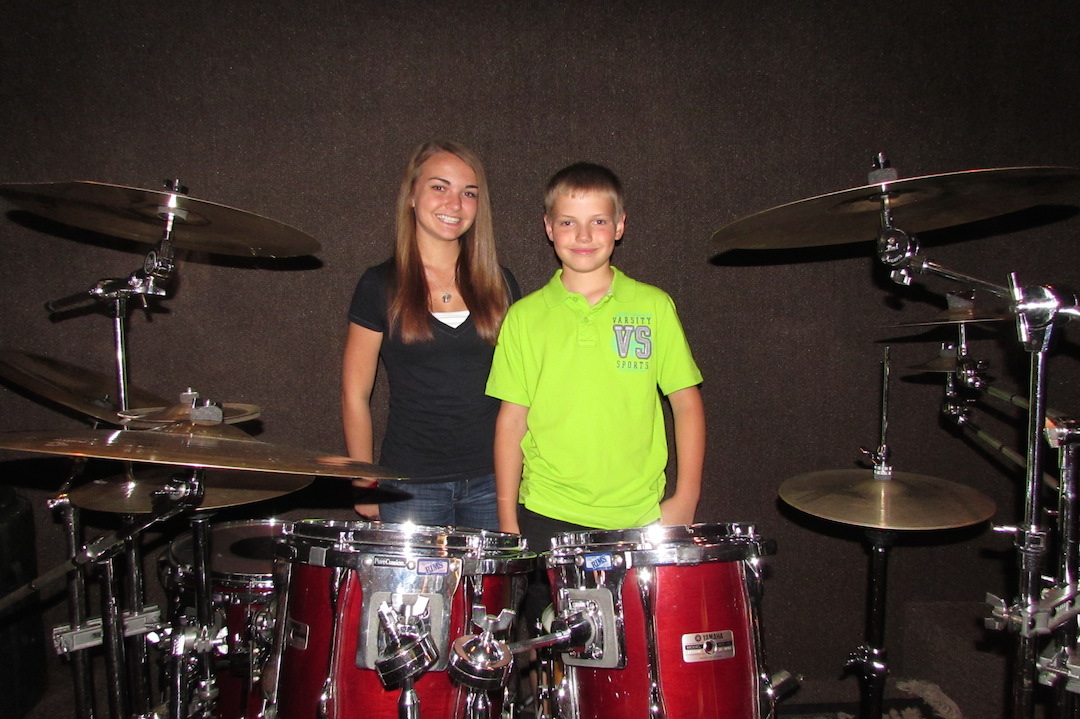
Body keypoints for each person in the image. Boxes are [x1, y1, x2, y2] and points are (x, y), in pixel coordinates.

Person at [485, 161, 706, 625]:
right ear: (548, 228)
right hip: (546, 512)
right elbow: (511, 422)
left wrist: (684, 499)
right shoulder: (525, 317)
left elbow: (686, 404)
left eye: (598, 221)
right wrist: (508, 518)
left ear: (620, 225)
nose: (583, 234)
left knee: (629, 650)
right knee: (548, 651)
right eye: (568, 221)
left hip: (636, 515)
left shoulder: (653, 306)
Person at [342, 140, 520, 530]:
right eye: (439, 187)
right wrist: (364, 480)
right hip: (410, 484)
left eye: (468, 193)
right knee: (417, 595)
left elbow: (524, 392)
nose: (454, 204)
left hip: (495, 481)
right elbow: (355, 393)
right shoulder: (379, 285)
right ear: (411, 195)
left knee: (487, 594)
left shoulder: (501, 284)